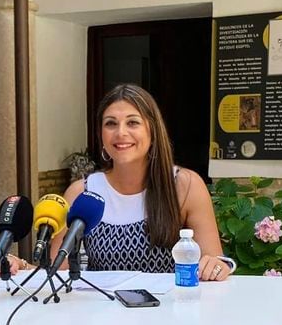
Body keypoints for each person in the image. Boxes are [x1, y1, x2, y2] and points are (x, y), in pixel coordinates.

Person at [60, 83, 231, 280]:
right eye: (110, 123)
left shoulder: (185, 186)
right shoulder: (81, 192)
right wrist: (20, 266)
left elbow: (213, 260)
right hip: (102, 308)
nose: (121, 132)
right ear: (101, 134)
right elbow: (57, 273)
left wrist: (216, 266)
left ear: (153, 131)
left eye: (132, 123)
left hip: (169, 307)